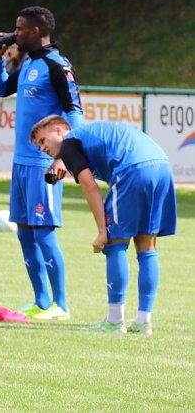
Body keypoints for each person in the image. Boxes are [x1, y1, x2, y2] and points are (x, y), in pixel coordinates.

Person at [31, 115, 176, 335]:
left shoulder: (70, 144)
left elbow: (90, 187)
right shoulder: (82, 140)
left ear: (59, 131)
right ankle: (143, 321)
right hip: (161, 165)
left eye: (43, 140)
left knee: (115, 244)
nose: (42, 148)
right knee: (146, 247)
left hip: (132, 168)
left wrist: (102, 231)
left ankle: (115, 321)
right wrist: (62, 161)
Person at [0, 6, 82, 321]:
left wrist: (64, 156)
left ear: (37, 31)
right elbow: (3, 89)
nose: (15, 33)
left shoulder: (58, 66)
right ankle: (41, 302)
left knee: (43, 234)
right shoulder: (28, 61)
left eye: (20, 28)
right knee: (25, 233)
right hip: (20, 162)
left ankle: (61, 306)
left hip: (44, 163)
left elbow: (74, 113)